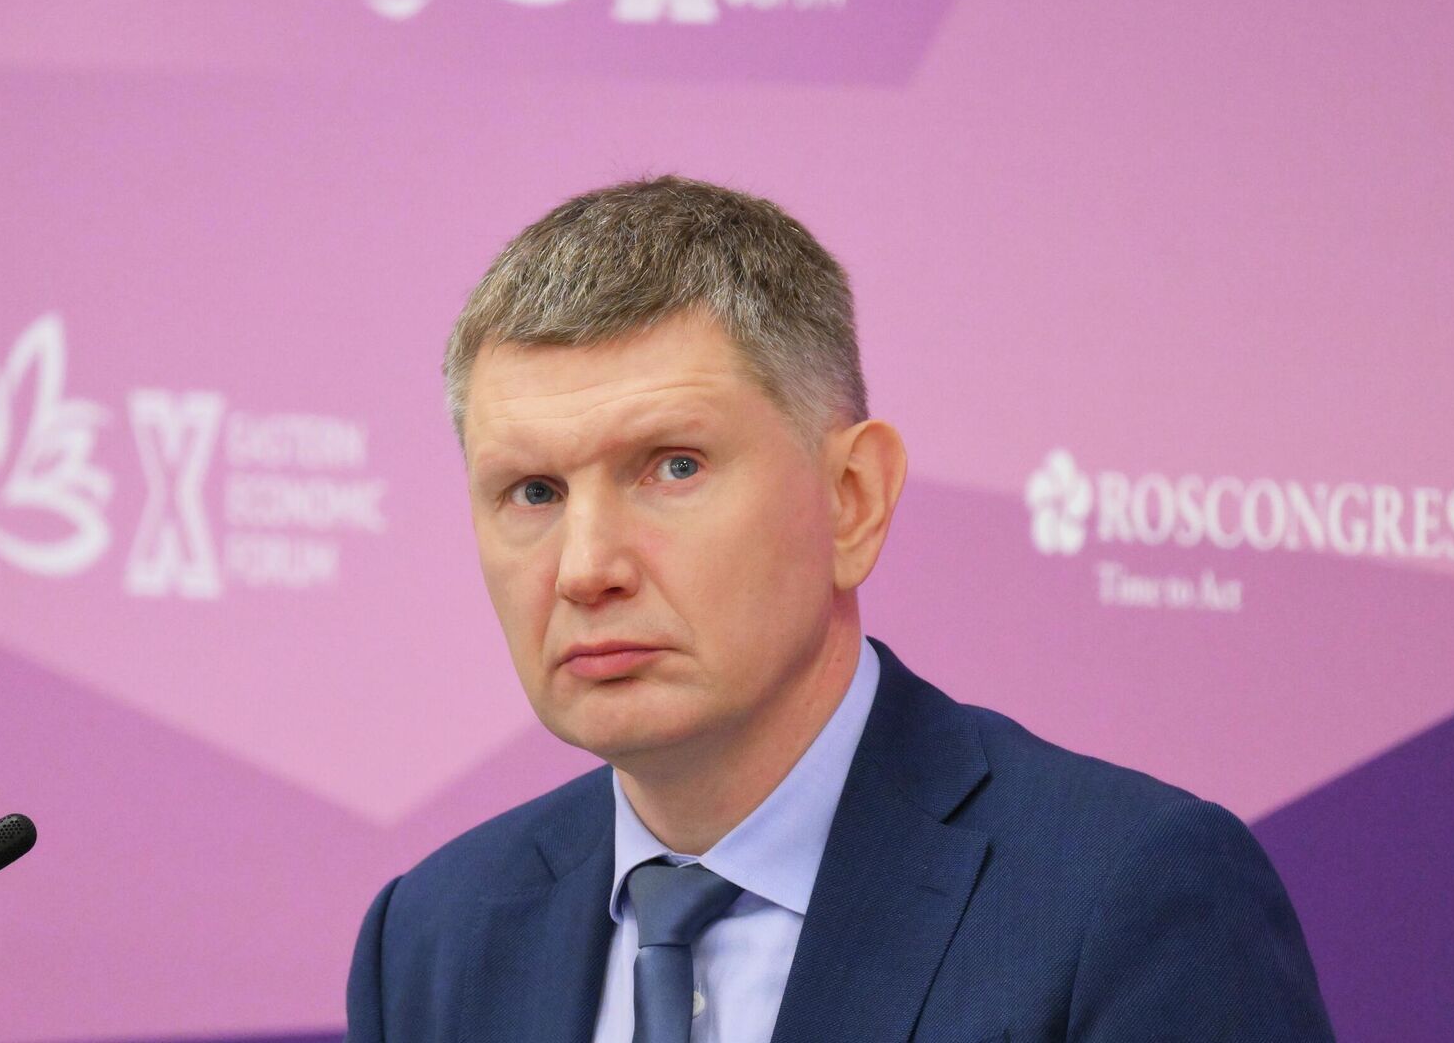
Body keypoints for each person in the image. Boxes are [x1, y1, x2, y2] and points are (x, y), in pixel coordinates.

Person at [345, 176, 1334, 1043]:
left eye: (673, 467)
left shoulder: (1124, 900)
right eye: (534, 492)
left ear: (853, 499)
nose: (586, 568)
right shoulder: (430, 939)